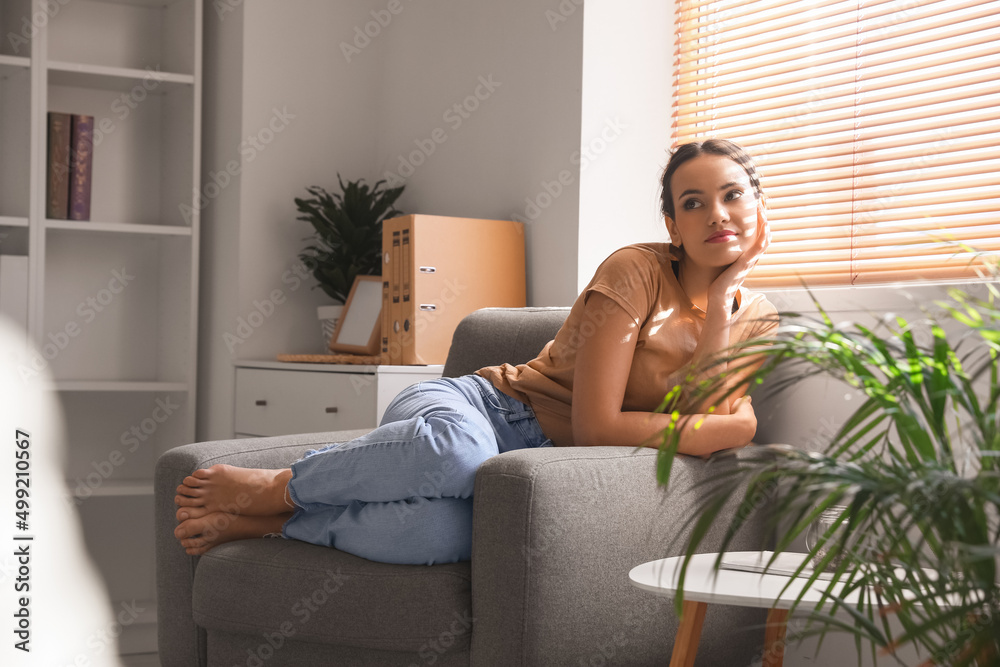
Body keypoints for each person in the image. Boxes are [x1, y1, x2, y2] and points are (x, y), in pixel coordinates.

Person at [173, 138, 779, 565]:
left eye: (732, 196)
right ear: (672, 225)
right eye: (693, 203)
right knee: (458, 452)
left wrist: (725, 298)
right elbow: (601, 427)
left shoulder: (758, 318)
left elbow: (710, 416)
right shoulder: (635, 271)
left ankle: (279, 523)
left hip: (530, 473)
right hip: (484, 406)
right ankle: (280, 486)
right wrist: (722, 428)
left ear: (759, 208)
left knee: (443, 533)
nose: (716, 214)